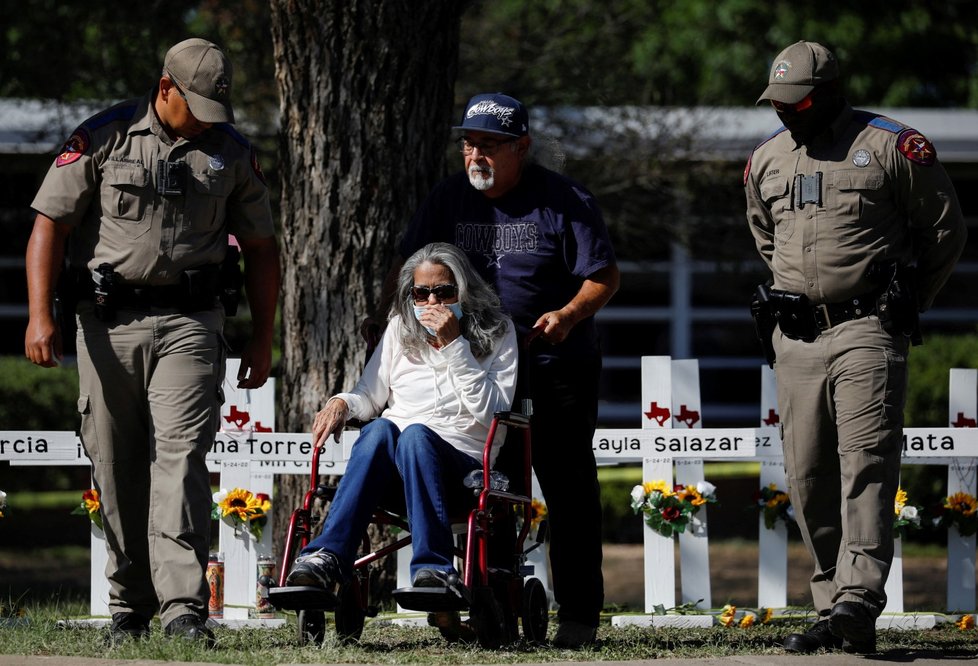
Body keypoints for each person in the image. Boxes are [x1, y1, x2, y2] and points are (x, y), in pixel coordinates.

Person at [24, 38, 280, 645]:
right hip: (107, 323)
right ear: (165, 87)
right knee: (115, 463)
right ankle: (127, 607)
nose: (206, 120)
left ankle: (184, 608)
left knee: (181, 457)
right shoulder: (104, 136)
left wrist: (262, 338)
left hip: (193, 324)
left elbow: (263, 251)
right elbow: (48, 225)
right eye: (195, 105)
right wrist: (39, 315)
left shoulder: (233, 153)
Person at [745, 41, 966, 655]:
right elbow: (764, 234)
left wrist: (909, 297)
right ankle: (830, 604)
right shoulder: (766, 159)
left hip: (868, 328)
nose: (787, 113)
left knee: (865, 463)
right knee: (807, 472)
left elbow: (945, 229)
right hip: (796, 335)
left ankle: (859, 598)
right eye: (778, 104)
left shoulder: (893, 147)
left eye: (799, 102)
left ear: (832, 92)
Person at [388, 93, 619, 649]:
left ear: (522, 147)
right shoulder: (447, 199)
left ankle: (580, 616)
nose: (475, 155)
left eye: (489, 145)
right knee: (481, 487)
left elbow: (604, 277)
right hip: (469, 368)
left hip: (551, 366)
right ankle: (481, 601)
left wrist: (567, 315)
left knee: (568, 489)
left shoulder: (563, 200)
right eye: (469, 144)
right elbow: (407, 273)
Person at [285, 242, 518, 613]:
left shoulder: (499, 331)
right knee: (378, 430)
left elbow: (492, 414)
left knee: (414, 435)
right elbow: (370, 396)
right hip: (393, 475)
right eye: (420, 292)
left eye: (443, 291)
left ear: (464, 290)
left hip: (461, 471)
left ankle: (434, 569)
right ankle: (325, 556)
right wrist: (342, 402)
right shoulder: (398, 327)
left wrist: (455, 344)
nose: (431, 302)